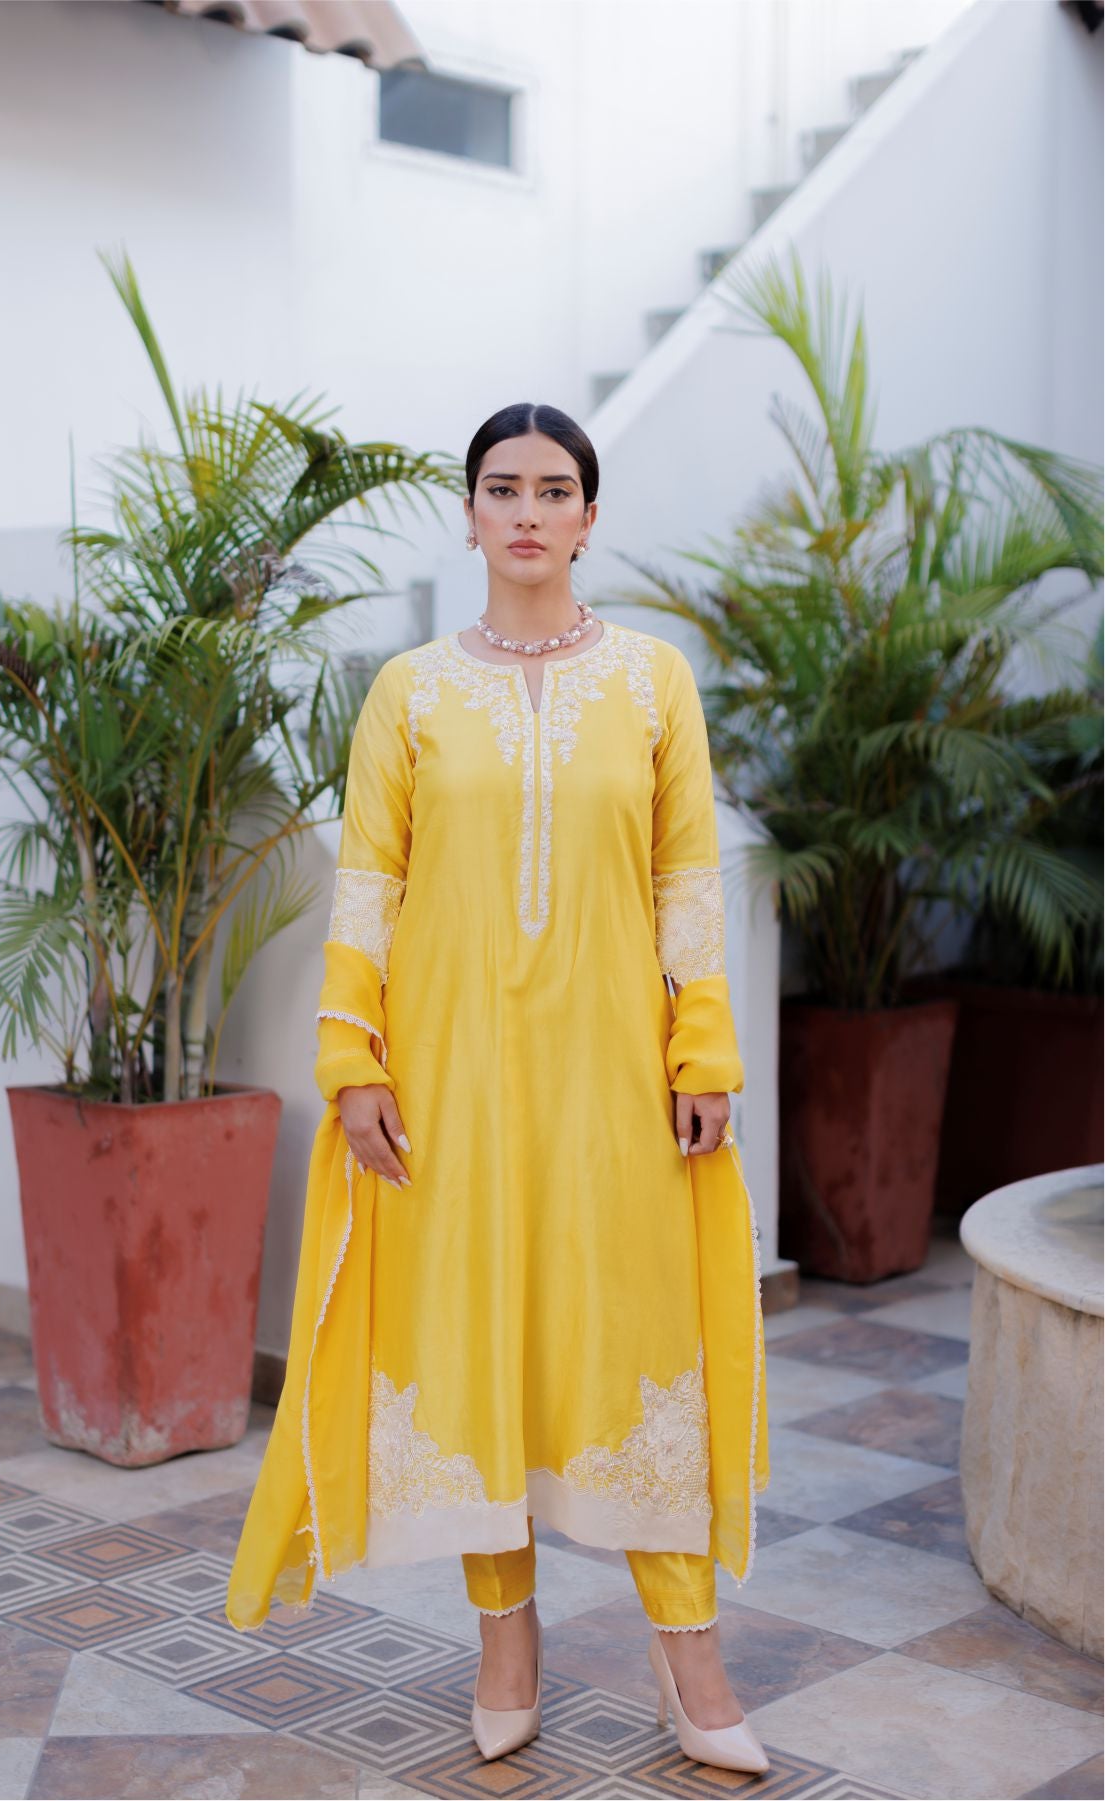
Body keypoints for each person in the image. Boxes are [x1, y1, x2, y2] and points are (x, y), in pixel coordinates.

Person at [225, 402, 770, 1774]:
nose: (525, 510)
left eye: (553, 488)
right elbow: (368, 884)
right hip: (453, 1073)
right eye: (499, 488)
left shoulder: (653, 683)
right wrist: (352, 1062)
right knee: (480, 1339)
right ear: (467, 516)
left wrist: (700, 1050)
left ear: (590, 516)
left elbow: (684, 882)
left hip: (607, 1074)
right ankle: (505, 1639)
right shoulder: (409, 692)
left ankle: (686, 1652)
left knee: (627, 1336)